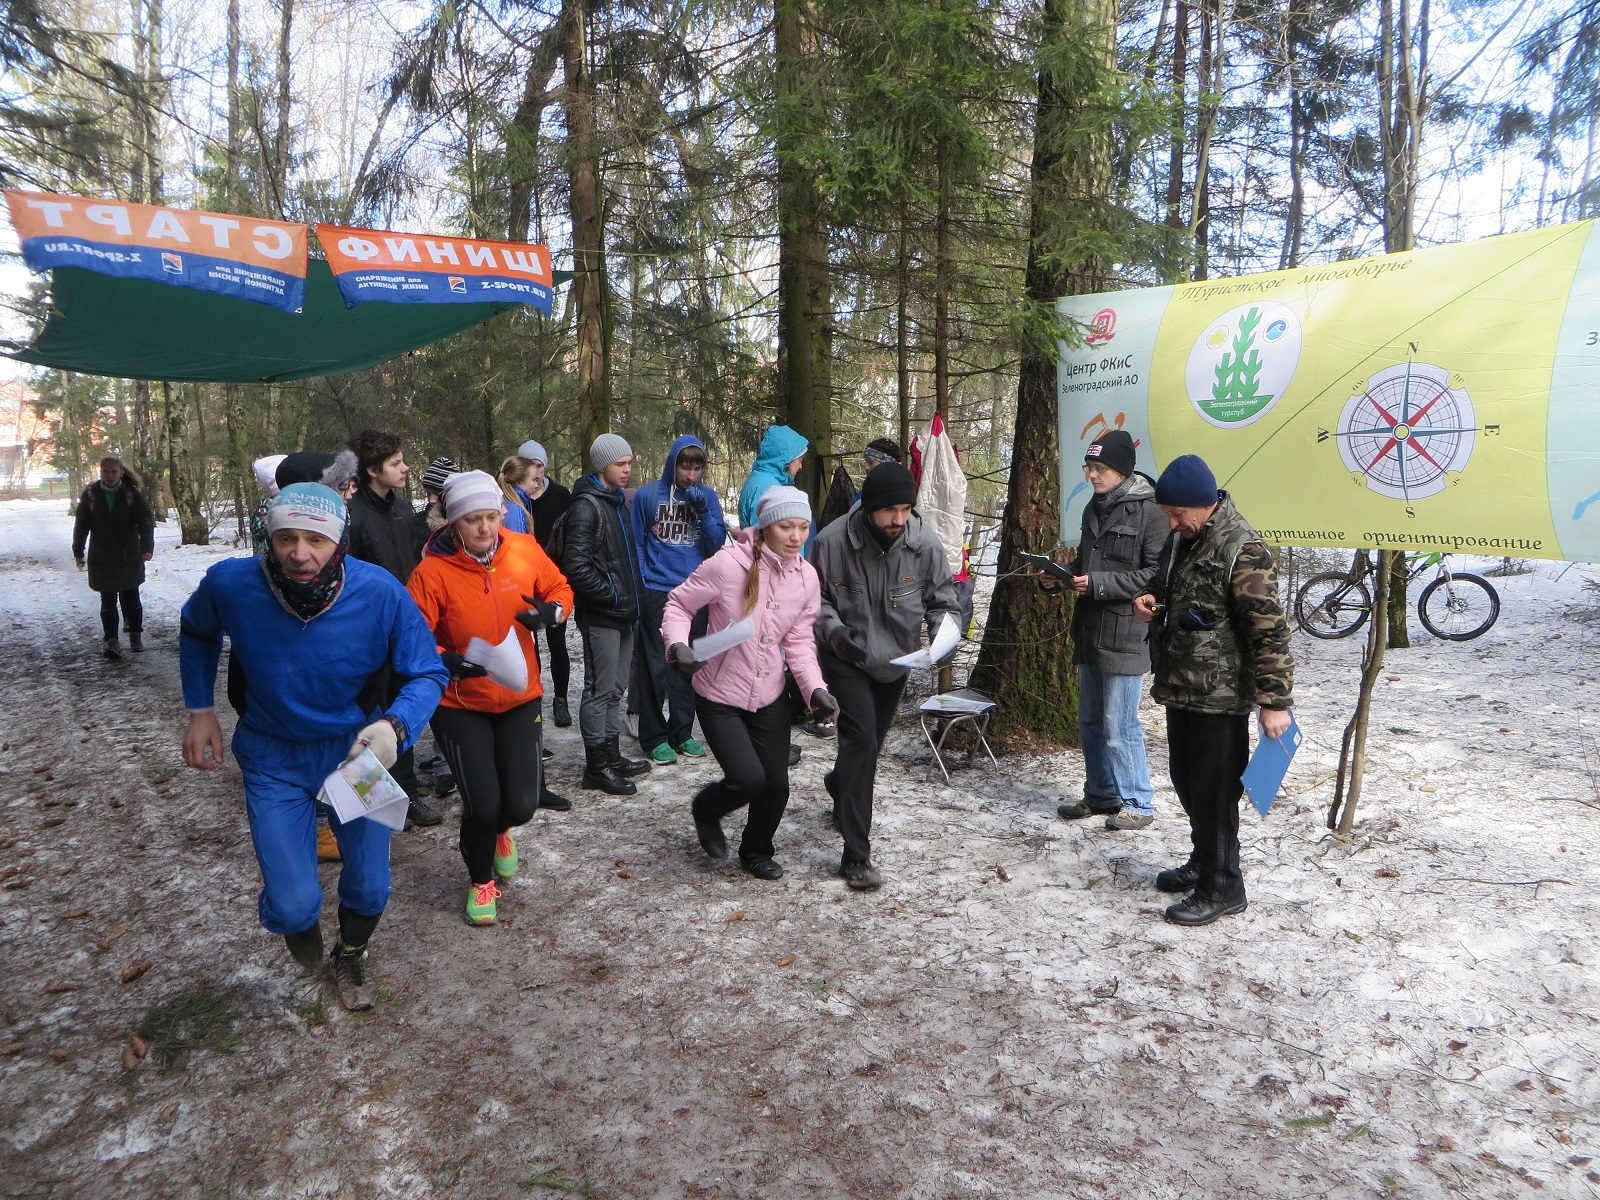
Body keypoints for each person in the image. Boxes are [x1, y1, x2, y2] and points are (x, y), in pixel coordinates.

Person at [179, 484, 448, 1010]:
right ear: (268, 537)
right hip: (273, 757)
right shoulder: (233, 584)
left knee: (371, 886)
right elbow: (196, 629)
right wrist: (200, 709)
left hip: (355, 754)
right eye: (286, 538)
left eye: (316, 541)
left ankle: (352, 952)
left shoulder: (380, 592)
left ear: (340, 541)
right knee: (292, 903)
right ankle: (301, 931)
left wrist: (396, 726)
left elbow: (428, 670)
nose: (300, 554)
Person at [407, 471, 576, 925]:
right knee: (481, 803)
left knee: (520, 805)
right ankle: (480, 879)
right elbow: (412, 636)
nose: (484, 529)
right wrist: (443, 657)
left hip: (520, 693)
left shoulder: (522, 549)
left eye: (490, 518)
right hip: (459, 702)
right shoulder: (432, 572)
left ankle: (503, 829)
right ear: (452, 521)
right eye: (472, 521)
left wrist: (552, 612)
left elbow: (561, 589)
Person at [1132, 454, 1295, 927]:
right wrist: (1154, 606)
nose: (1172, 521)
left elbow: (1268, 631)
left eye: (1178, 513)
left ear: (1205, 504)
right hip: (1183, 686)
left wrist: (1275, 700)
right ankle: (1204, 862)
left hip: (1220, 696)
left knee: (1215, 790)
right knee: (1187, 781)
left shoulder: (1243, 548)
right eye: (1168, 513)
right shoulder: (1188, 539)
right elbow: (1187, 599)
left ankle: (1224, 886)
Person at [662, 486, 833, 880]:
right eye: (787, 526)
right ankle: (706, 808)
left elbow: (800, 641)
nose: (796, 536)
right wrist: (678, 644)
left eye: (803, 527)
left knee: (776, 785)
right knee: (747, 779)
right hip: (720, 694)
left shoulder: (806, 577)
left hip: (769, 693)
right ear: (766, 526)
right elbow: (678, 604)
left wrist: (815, 690)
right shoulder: (726, 565)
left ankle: (756, 850)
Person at [812, 462, 959, 890]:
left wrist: (940, 637)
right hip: (846, 657)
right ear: (869, 508)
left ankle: (840, 785)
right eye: (889, 510)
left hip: (898, 661)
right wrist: (836, 633)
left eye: (906, 509)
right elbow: (814, 601)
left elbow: (944, 602)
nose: (899, 519)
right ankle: (856, 856)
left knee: (868, 749)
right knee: (860, 743)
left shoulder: (924, 543)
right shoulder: (831, 541)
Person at [1044, 430, 1168, 831]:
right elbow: (1087, 563)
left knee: (1120, 724)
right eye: (1089, 468)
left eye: (1100, 469)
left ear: (1122, 470)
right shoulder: (1092, 507)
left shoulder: (1151, 511)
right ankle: (1101, 794)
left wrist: (1098, 584)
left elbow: (1156, 573)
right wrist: (1061, 580)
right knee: (1090, 721)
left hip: (1127, 631)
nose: (1093, 476)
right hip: (1090, 628)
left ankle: (1138, 802)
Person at [344, 429, 440, 829]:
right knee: (367, 713)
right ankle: (363, 797)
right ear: (372, 470)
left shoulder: (401, 509)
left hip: (407, 626)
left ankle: (406, 794)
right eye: (396, 463)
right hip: (366, 634)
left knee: (403, 709)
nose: (405, 468)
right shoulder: (353, 516)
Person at [559, 433, 651, 794]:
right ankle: (596, 767)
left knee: (616, 688)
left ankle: (611, 756)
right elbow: (577, 567)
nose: (627, 470)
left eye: (629, 463)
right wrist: (613, 598)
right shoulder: (587, 506)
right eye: (620, 464)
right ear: (602, 466)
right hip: (604, 614)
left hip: (625, 611)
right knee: (599, 690)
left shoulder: (615, 501)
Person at [629, 435, 727, 765]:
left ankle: (682, 731)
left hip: (696, 592)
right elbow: (638, 544)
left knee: (689, 665)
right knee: (656, 666)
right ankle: (653, 736)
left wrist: (703, 512)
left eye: (697, 467)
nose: (691, 474)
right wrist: (643, 586)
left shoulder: (708, 497)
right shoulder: (647, 496)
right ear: (673, 463)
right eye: (685, 466)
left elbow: (715, 545)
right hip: (658, 590)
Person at [72, 454, 154, 659]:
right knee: (107, 601)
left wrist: (147, 547)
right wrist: (78, 550)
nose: (109, 476)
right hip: (102, 556)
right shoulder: (91, 494)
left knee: (131, 597)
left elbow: (145, 522)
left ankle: (135, 634)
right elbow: (81, 525)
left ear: (121, 473)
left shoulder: (131, 494)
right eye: (105, 471)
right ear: (100, 472)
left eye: (113, 471)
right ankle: (111, 641)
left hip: (129, 554)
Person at [517, 439, 574, 727]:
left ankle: (561, 700)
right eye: (528, 465)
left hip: (552, 580)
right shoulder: (514, 499)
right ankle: (534, 700)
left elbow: (570, 536)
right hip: (523, 580)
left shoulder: (561, 495)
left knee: (556, 641)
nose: (535, 472)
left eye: (539, 465)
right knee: (529, 644)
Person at [737, 424, 808, 528]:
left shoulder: (762, 481)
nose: (801, 466)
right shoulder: (767, 488)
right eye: (799, 461)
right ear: (787, 459)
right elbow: (766, 538)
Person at [497, 455, 536, 534]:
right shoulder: (515, 510)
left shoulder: (510, 503)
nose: (536, 485)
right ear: (518, 481)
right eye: (534, 480)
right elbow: (518, 544)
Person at [420, 456, 459, 533]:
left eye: (438, 495)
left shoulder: (467, 524)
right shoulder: (417, 522)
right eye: (428, 494)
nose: (431, 500)